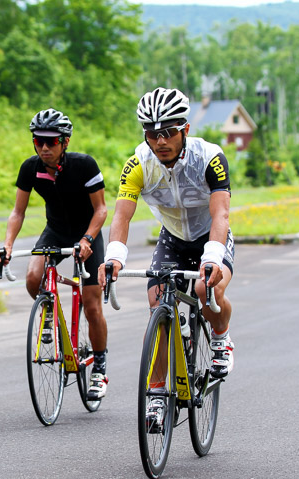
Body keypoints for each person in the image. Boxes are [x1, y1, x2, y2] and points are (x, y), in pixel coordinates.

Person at [97, 88, 235, 425]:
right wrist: (114, 257)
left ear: (185, 130)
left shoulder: (210, 158)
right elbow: (121, 217)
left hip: (210, 238)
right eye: (151, 133)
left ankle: (221, 339)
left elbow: (221, 216)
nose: (159, 141)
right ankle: (157, 395)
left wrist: (213, 258)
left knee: (207, 291)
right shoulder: (138, 164)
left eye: (167, 132)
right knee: (157, 307)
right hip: (172, 240)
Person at [0, 108, 110, 399]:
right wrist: (8, 244)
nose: (44, 148)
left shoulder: (84, 165)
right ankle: (49, 311)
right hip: (56, 231)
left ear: (65, 142)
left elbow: (101, 210)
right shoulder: (30, 168)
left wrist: (87, 239)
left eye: (52, 142)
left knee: (92, 304)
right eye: (38, 142)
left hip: (87, 233)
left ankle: (99, 367)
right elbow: (17, 211)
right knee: (34, 278)